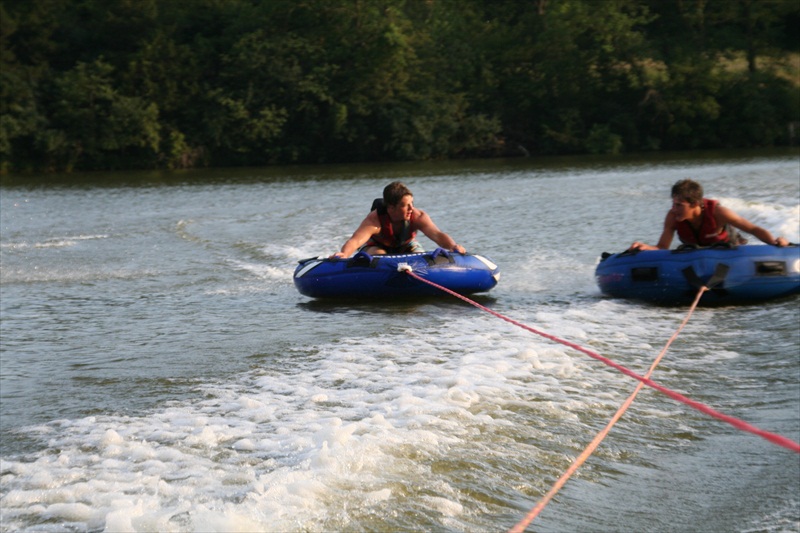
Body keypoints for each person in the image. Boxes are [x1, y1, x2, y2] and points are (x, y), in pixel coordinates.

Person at [629, 179, 789, 251]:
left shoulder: (719, 213)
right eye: (673, 203)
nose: (674, 209)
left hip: (729, 248)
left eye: (679, 205)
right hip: (697, 251)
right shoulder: (672, 217)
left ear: (695, 204)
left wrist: (774, 242)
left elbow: (753, 229)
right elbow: (662, 247)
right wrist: (645, 247)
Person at [331, 181, 466, 258]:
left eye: (412, 203)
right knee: (380, 256)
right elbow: (355, 241)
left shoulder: (418, 217)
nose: (411, 208)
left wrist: (453, 246)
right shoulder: (374, 220)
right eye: (405, 205)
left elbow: (437, 235)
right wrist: (344, 254)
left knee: (420, 257)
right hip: (376, 247)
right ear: (391, 208)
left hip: (406, 245)